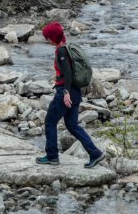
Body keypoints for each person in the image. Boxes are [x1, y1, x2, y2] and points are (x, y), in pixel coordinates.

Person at [37, 21, 107, 168]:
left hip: (66, 92)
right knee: (72, 125)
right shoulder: (66, 48)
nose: (46, 40)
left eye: (47, 37)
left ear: (53, 37)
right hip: (76, 92)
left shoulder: (61, 51)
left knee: (50, 122)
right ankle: (95, 153)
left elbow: (68, 73)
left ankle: (52, 156)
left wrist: (65, 93)